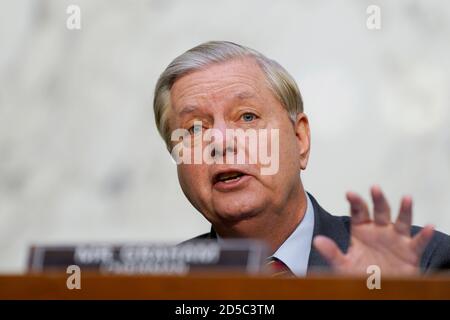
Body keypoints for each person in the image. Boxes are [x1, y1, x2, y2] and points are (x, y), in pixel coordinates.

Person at [153, 41, 450, 276]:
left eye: (247, 117)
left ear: (300, 139)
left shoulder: (422, 266)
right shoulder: (155, 281)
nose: (220, 141)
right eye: (194, 128)